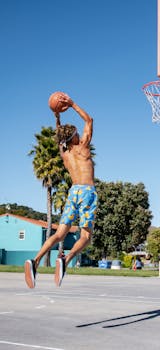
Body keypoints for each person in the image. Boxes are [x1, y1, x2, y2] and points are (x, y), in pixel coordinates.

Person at [24, 93, 98, 288]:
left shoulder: (64, 152)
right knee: (86, 237)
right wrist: (72, 104)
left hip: (73, 192)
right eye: (75, 132)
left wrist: (57, 116)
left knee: (59, 234)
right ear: (74, 135)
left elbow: (60, 133)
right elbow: (89, 119)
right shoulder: (83, 147)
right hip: (87, 192)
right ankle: (65, 261)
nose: (78, 133)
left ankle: (35, 261)